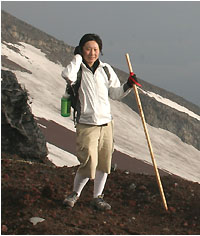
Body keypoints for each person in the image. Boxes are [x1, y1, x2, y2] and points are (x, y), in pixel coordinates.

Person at [62, 33, 139, 211]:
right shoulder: (77, 69)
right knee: (88, 164)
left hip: (106, 123)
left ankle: (98, 197)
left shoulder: (105, 69)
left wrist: (128, 85)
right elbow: (67, 76)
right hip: (86, 123)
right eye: (88, 49)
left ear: (100, 51)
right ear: (81, 49)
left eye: (95, 49)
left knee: (104, 163)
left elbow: (115, 94)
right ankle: (75, 193)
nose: (92, 53)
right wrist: (77, 58)